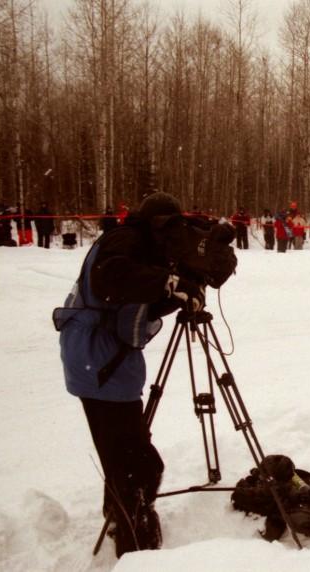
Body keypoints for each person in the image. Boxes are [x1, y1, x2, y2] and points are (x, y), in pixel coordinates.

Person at [55, 192, 207, 557]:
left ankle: (124, 517)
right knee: (132, 459)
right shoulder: (124, 240)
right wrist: (169, 282)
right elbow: (114, 280)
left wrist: (183, 291)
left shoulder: (141, 245)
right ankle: (134, 543)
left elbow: (142, 300)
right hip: (99, 360)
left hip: (107, 360)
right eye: (165, 226)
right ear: (150, 222)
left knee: (127, 451)